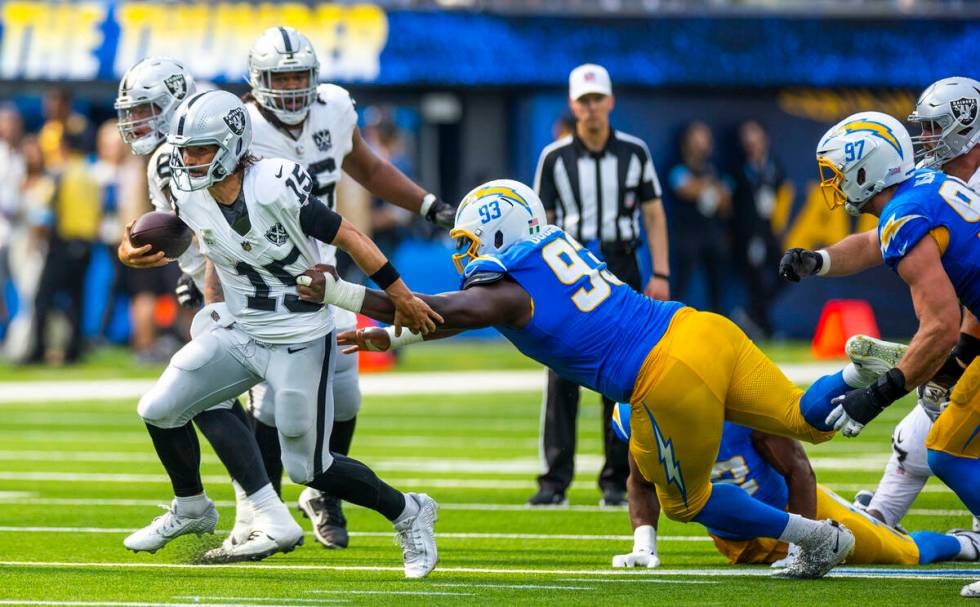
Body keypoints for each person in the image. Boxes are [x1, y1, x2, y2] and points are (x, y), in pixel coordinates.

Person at [299, 178, 919, 579]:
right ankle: (852, 371)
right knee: (799, 419)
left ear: (497, 232)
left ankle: (814, 536)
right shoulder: (551, 249)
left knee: (689, 502)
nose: (464, 253)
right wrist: (393, 334)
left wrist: (344, 290)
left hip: (664, 372)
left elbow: (443, 308)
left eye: (469, 240)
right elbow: (450, 318)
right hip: (704, 329)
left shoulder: (510, 287)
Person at [130, 89, 441, 577]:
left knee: (310, 467)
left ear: (232, 146)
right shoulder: (188, 191)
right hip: (241, 331)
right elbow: (201, 247)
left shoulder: (274, 184)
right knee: (160, 408)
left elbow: (350, 235)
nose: (187, 160)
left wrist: (398, 293)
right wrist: (139, 257)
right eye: (184, 149)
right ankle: (191, 507)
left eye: (200, 150)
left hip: (298, 334)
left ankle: (409, 511)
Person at [241, 26, 455, 549]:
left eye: (299, 76)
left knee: (346, 396)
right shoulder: (238, 126)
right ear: (257, 81)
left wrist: (429, 205)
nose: (291, 88)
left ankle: (320, 492)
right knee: (270, 407)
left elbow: (367, 167)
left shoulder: (333, 109)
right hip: (267, 286)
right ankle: (259, 511)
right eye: (280, 77)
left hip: (327, 278)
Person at [778, 107, 980, 599]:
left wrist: (880, 395)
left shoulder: (906, 213)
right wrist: (820, 260)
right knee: (945, 440)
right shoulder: (920, 191)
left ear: (866, 168)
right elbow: (874, 242)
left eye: (839, 171)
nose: (835, 182)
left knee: (948, 451)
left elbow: (939, 326)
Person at [531, 63, 670, 506]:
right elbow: (541, 225)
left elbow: (653, 213)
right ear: (573, 105)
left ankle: (616, 480)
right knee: (561, 374)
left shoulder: (634, 152)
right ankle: (554, 481)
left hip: (620, 263)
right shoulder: (554, 157)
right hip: (568, 268)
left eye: (597, 99)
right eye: (583, 101)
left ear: (610, 102)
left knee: (621, 375)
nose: (591, 108)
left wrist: (661, 272)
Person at [606, 404, 980, 569]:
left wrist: (800, 544)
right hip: (734, 540)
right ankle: (867, 515)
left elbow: (799, 470)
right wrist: (644, 545)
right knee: (714, 496)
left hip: (800, 513)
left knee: (904, 554)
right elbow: (640, 481)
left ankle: (966, 543)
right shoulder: (634, 415)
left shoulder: (737, 412)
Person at [848, 78, 980, 535]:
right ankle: (882, 517)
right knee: (926, 436)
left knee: (943, 443)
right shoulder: (934, 184)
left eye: (933, 127)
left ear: (966, 124)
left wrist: (958, 352)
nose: (925, 139)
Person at [26, 130, 101, 364]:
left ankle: (37, 349)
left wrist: (36, 238)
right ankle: (74, 351)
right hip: (86, 244)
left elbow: (44, 210)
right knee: (77, 299)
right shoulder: (90, 175)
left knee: (43, 299)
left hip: (62, 242)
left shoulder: (60, 173)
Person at [731, 120, 790, 337]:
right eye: (747, 140)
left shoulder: (773, 165)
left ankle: (752, 314)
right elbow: (736, 206)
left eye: (755, 138)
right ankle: (766, 328)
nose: (752, 144)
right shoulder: (738, 169)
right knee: (754, 280)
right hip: (749, 233)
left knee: (786, 272)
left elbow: (783, 194)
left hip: (770, 230)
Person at [667, 121, 731, 313]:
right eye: (698, 137)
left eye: (706, 137)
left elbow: (726, 203)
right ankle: (671, 324)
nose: (704, 142)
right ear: (687, 141)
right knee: (681, 284)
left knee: (717, 287)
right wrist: (710, 188)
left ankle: (719, 327)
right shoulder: (677, 167)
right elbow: (685, 189)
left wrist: (711, 190)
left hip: (712, 234)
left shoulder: (714, 168)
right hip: (687, 236)